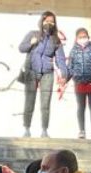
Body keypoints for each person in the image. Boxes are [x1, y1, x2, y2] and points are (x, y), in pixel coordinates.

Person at [18, 11, 68, 139]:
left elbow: (61, 59)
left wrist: (64, 74)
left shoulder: (56, 40)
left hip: (47, 73)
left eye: (52, 22)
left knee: (45, 104)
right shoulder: (32, 34)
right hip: (31, 71)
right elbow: (21, 48)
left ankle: (44, 130)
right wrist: (31, 43)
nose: (49, 23)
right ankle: (27, 129)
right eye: (47, 21)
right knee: (29, 101)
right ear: (42, 21)